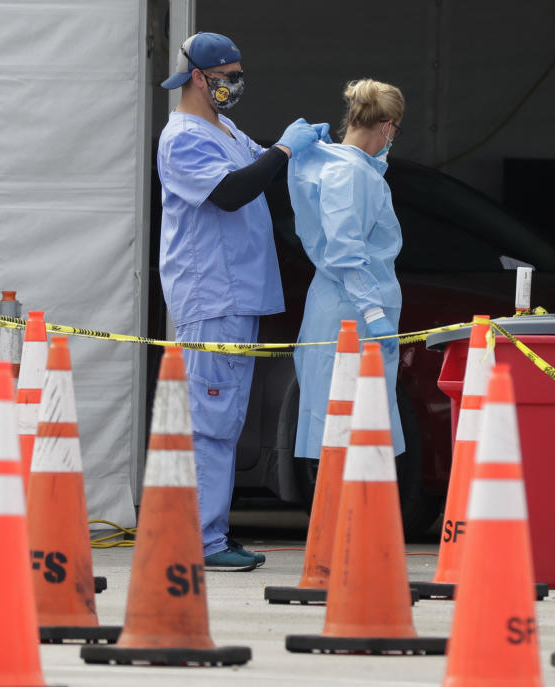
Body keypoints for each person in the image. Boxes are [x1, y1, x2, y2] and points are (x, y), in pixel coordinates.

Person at [157, 32, 326, 571]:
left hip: (236, 295)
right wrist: (282, 148)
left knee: (224, 418)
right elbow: (232, 191)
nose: (235, 85)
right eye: (227, 77)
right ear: (198, 78)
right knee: (210, 420)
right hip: (211, 294)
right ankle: (203, 541)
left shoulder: (223, 127)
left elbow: (264, 171)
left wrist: (316, 152)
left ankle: (210, 534)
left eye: (238, 75)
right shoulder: (183, 138)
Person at [289, 78, 406, 464]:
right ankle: (348, 522)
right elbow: (344, 250)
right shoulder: (350, 174)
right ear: (388, 126)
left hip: (345, 309)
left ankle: (352, 520)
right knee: (348, 431)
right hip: (352, 315)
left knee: (352, 428)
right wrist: (373, 312)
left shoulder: (337, 167)